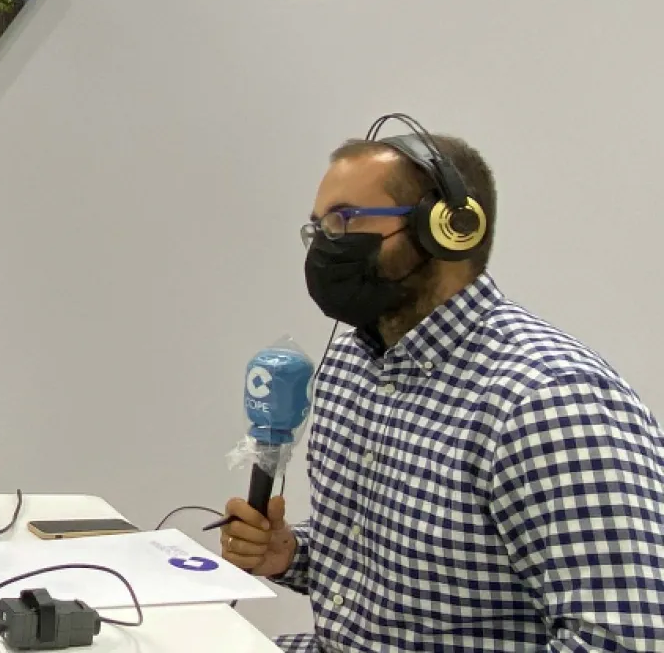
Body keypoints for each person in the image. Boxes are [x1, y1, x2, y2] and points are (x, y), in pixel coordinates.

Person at [219, 124, 664, 652]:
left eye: (344, 220)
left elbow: (628, 639)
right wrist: (290, 554)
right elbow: (397, 578)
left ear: (448, 229)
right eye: (317, 228)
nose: (323, 247)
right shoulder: (348, 366)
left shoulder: (549, 402)